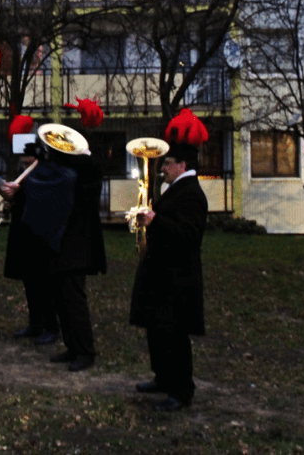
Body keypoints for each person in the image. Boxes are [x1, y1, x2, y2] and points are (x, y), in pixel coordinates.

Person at [4, 131, 106, 372]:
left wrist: (62, 154)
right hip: (60, 245)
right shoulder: (66, 172)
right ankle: (72, 347)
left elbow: (83, 167)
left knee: (74, 300)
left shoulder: (86, 171)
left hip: (77, 248)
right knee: (62, 300)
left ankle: (85, 351)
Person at [130, 109, 210, 411]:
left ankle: (182, 390)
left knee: (174, 335)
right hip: (162, 274)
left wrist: (155, 221)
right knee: (157, 329)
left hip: (178, 277)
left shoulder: (192, 194)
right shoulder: (176, 189)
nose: (163, 168)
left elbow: (188, 235)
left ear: (181, 164)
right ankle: (162, 378)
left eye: (167, 163)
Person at [0, 135, 59, 346]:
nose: (25, 164)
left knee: (45, 285)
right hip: (23, 235)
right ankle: (35, 324)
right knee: (30, 284)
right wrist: (9, 203)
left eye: (29, 161)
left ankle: (51, 326)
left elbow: (44, 201)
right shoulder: (22, 175)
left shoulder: (47, 174)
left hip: (41, 238)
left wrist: (22, 193)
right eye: (23, 161)